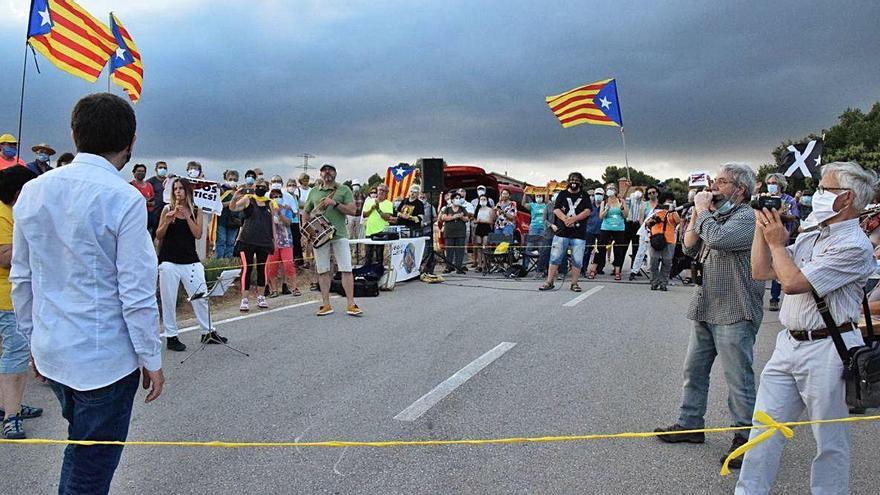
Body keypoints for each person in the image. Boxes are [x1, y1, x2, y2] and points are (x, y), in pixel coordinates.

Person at [10, 93, 164, 494]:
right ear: (131, 141)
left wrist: (31, 340)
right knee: (91, 469)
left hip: (53, 351)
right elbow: (137, 293)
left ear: (74, 133)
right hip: (105, 362)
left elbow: (22, 278)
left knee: (81, 452)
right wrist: (151, 357)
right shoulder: (125, 198)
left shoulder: (33, 191)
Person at [737, 162, 876, 494]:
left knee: (829, 441)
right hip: (789, 344)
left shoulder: (854, 245)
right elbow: (761, 271)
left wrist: (777, 243)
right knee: (764, 429)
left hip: (831, 349)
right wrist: (763, 226)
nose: (817, 195)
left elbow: (793, 282)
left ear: (847, 198)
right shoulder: (814, 231)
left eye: (825, 189)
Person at [654, 162, 763, 470]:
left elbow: (719, 239)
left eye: (722, 182)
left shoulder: (747, 217)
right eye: (714, 181)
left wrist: (703, 211)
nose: (714, 187)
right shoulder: (713, 215)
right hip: (706, 303)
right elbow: (689, 248)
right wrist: (695, 213)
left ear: (740, 189)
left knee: (737, 377)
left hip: (735, 308)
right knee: (694, 369)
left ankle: (745, 436)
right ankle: (690, 424)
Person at [156, 178, 226, 352]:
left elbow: (197, 233)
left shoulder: (196, 210)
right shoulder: (167, 208)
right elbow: (159, 234)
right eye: (175, 189)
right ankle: (171, 336)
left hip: (190, 260)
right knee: (169, 299)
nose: (178, 192)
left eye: (181, 189)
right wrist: (167, 220)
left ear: (188, 191)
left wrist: (187, 216)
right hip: (169, 260)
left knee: (201, 297)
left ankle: (208, 331)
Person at [0, 166, 41, 440]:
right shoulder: (5, 214)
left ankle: (6, 405)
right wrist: (39, 243)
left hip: (10, 296)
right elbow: (4, 255)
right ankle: (11, 417)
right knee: (15, 355)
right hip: (7, 298)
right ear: (19, 192)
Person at [303, 164, 362, 316]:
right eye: (324, 171)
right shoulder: (314, 191)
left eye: (330, 171)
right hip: (320, 236)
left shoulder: (344, 190)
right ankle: (326, 304)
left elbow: (353, 210)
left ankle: (351, 304)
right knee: (323, 270)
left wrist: (334, 203)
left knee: (346, 269)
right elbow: (306, 211)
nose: (327, 173)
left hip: (339, 234)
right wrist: (306, 231)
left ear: (335, 173)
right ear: (320, 174)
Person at [539, 173, 592, 292]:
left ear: (581, 182)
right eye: (572, 179)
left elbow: (588, 211)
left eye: (577, 180)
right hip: (562, 232)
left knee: (577, 259)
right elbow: (556, 209)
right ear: (568, 181)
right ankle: (549, 282)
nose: (574, 182)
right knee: (555, 257)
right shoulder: (562, 194)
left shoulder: (585, 195)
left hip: (579, 233)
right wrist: (566, 220)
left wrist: (574, 219)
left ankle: (574, 284)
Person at [230, 178, 275, 311]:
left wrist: (274, 239)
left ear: (267, 189)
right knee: (247, 268)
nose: (260, 188)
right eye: (258, 186)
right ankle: (244, 298)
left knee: (262, 268)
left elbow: (272, 222)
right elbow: (233, 208)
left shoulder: (269, 203)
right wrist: (234, 197)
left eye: (263, 186)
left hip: (264, 240)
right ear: (254, 187)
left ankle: (261, 296)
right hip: (247, 240)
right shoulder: (248, 199)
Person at [764, 173, 800, 312]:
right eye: (769, 182)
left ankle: (774, 298)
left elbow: (794, 217)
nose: (771, 185)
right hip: (764, 238)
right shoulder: (765, 198)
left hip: (781, 238)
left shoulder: (789, 200)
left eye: (774, 182)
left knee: (777, 269)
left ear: (780, 184)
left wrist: (780, 216)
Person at [265, 188, 299, 297]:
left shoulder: (286, 209)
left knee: (288, 264)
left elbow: (288, 223)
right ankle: (274, 289)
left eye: (279, 196)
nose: (277, 198)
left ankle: (294, 287)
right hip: (272, 242)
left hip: (286, 241)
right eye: (274, 196)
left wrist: (279, 213)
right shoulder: (267, 211)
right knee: (272, 266)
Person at [590, 185, 629, 280]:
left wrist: (622, 208)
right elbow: (601, 216)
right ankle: (593, 270)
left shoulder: (621, 201)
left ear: (616, 191)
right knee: (600, 248)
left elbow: (625, 215)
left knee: (618, 250)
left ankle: (617, 271)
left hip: (619, 228)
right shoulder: (604, 202)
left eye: (612, 188)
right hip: (606, 227)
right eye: (608, 189)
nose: (609, 190)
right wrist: (606, 209)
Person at [645, 192, 681, 291]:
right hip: (655, 239)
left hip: (669, 239)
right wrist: (652, 221)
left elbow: (678, 221)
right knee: (653, 261)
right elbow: (646, 223)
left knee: (667, 262)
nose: (668, 204)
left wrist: (673, 210)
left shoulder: (673, 212)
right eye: (667, 202)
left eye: (670, 202)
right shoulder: (655, 211)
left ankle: (663, 283)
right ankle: (654, 282)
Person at [362, 184, 394, 265]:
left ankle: (378, 271)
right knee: (368, 255)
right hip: (369, 231)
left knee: (379, 256)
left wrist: (378, 209)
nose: (381, 192)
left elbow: (387, 217)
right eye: (380, 190)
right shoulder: (369, 201)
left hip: (381, 232)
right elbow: (364, 214)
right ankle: (367, 272)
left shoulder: (389, 203)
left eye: (384, 191)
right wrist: (372, 209)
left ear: (387, 193)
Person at [215, 170, 242, 259]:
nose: (232, 181)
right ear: (226, 179)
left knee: (231, 242)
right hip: (222, 220)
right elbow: (218, 205)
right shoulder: (222, 190)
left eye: (235, 179)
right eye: (230, 179)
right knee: (221, 241)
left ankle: (228, 261)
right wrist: (231, 202)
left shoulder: (239, 191)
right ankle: (219, 261)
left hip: (234, 221)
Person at [442, 192, 469, 273]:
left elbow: (467, 219)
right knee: (449, 250)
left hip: (460, 233)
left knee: (459, 250)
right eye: (456, 198)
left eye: (459, 198)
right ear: (452, 200)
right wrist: (454, 216)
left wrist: (461, 217)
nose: (458, 200)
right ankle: (449, 267)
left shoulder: (462, 209)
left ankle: (458, 267)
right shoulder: (447, 208)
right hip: (449, 233)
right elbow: (443, 217)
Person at [473, 192, 497, 272]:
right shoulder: (478, 209)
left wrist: (482, 221)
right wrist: (476, 221)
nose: (482, 201)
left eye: (484, 199)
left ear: (487, 200)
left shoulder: (490, 210)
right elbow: (474, 219)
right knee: (479, 247)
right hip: (479, 228)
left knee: (485, 247)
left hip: (486, 228)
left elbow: (491, 221)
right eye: (481, 199)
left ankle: (485, 264)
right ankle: (479, 265)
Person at [582, 187, 604, 270]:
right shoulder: (589, 206)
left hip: (601, 231)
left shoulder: (605, 205)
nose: (598, 196)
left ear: (603, 195)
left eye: (600, 194)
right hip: (589, 231)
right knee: (587, 250)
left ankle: (599, 269)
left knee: (601, 250)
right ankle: (583, 269)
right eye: (597, 194)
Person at [129, 164, 155, 234]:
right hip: (136, 216)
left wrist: (147, 202)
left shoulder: (149, 185)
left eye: (143, 171)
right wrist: (145, 202)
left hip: (149, 216)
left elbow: (153, 199)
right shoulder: (130, 186)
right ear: (134, 173)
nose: (141, 173)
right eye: (139, 171)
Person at [147, 161, 169, 240]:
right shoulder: (150, 182)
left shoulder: (169, 182)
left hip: (167, 213)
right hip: (154, 214)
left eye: (165, 168)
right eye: (160, 167)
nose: (163, 169)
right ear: (156, 169)